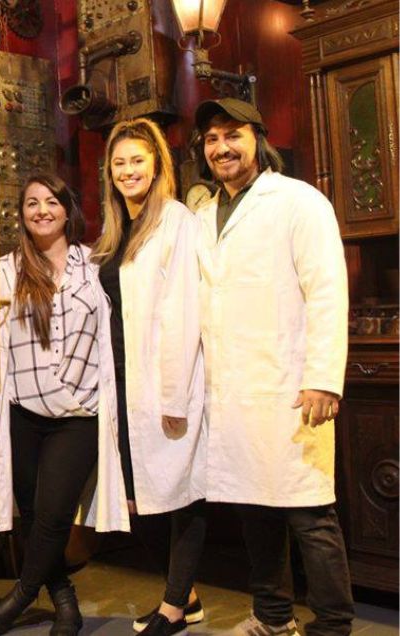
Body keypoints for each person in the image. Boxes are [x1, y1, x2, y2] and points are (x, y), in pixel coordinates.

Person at [192, 98, 353, 636]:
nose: (222, 148)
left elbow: (326, 291)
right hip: (232, 389)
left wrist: (323, 379)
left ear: (258, 140)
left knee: (309, 511)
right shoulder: (202, 217)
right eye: (212, 139)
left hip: (290, 386)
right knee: (253, 508)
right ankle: (273, 617)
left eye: (232, 135)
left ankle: (332, 625)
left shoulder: (299, 202)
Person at [0, 173, 128, 636]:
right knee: (33, 514)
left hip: (78, 414)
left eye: (51, 202)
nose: (41, 210)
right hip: (22, 411)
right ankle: (65, 603)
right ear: (21, 214)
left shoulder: (95, 266)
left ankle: (22, 595)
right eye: (31, 203)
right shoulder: (5, 270)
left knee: (55, 513)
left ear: (67, 210)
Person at [92, 118, 207, 636]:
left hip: (163, 378)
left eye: (137, 160)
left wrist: (175, 394)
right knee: (138, 498)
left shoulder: (176, 221)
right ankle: (188, 595)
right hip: (121, 380)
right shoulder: (117, 229)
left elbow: (183, 309)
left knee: (182, 491)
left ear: (157, 164)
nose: (128, 171)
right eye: (119, 163)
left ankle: (174, 606)